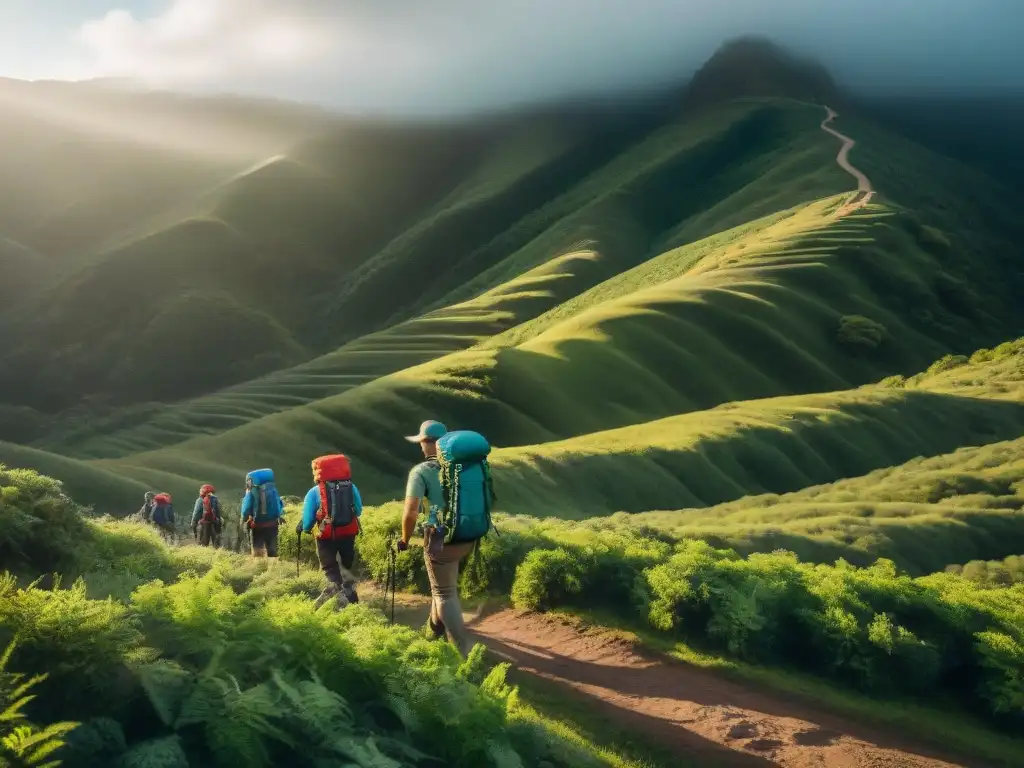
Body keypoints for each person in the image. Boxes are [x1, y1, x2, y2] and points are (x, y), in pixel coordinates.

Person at [398, 419, 475, 656]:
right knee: (443, 586)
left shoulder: (421, 471)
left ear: (426, 443)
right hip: (468, 535)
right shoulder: (463, 466)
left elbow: (411, 512)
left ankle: (463, 651)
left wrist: (405, 539)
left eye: (422, 442)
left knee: (444, 593)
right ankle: (433, 630)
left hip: (440, 538)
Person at [297, 454, 364, 608]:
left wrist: (306, 528)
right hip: (348, 533)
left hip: (325, 536)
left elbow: (307, 522)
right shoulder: (351, 487)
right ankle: (352, 605)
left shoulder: (314, 492)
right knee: (346, 570)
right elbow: (358, 511)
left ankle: (320, 607)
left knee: (330, 572)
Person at [241, 468, 284, 559]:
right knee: (273, 551)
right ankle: (273, 568)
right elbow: (279, 505)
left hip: (257, 526)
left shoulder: (252, 491)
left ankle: (260, 568)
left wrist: (246, 519)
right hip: (273, 525)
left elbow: (246, 510)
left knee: (258, 552)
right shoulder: (273, 489)